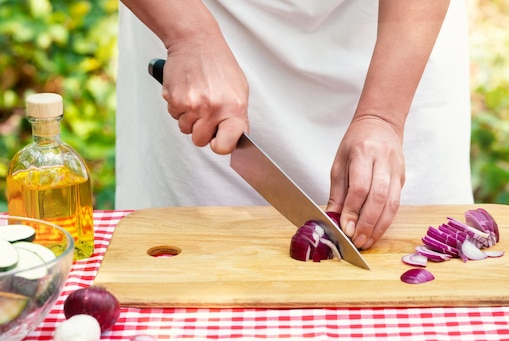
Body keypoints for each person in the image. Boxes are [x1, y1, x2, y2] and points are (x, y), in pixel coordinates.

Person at [116, 0, 474, 250]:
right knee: (193, 249)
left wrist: (382, 116)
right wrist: (189, 35)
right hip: (184, 19)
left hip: (399, 44)